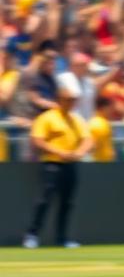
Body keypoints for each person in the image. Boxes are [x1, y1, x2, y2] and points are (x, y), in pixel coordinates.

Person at [23, 72, 93, 248]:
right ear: (59, 99)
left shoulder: (76, 119)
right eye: (68, 99)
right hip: (52, 163)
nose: (71, 103)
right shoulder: (47, 118)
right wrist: (59, 152)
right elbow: (38, 140)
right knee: (44, 200)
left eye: (73, 100)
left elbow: (88, 139)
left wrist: (79, 152)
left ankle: (62, 238)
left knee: (67, 202)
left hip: (70, 164)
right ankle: (32, 235)